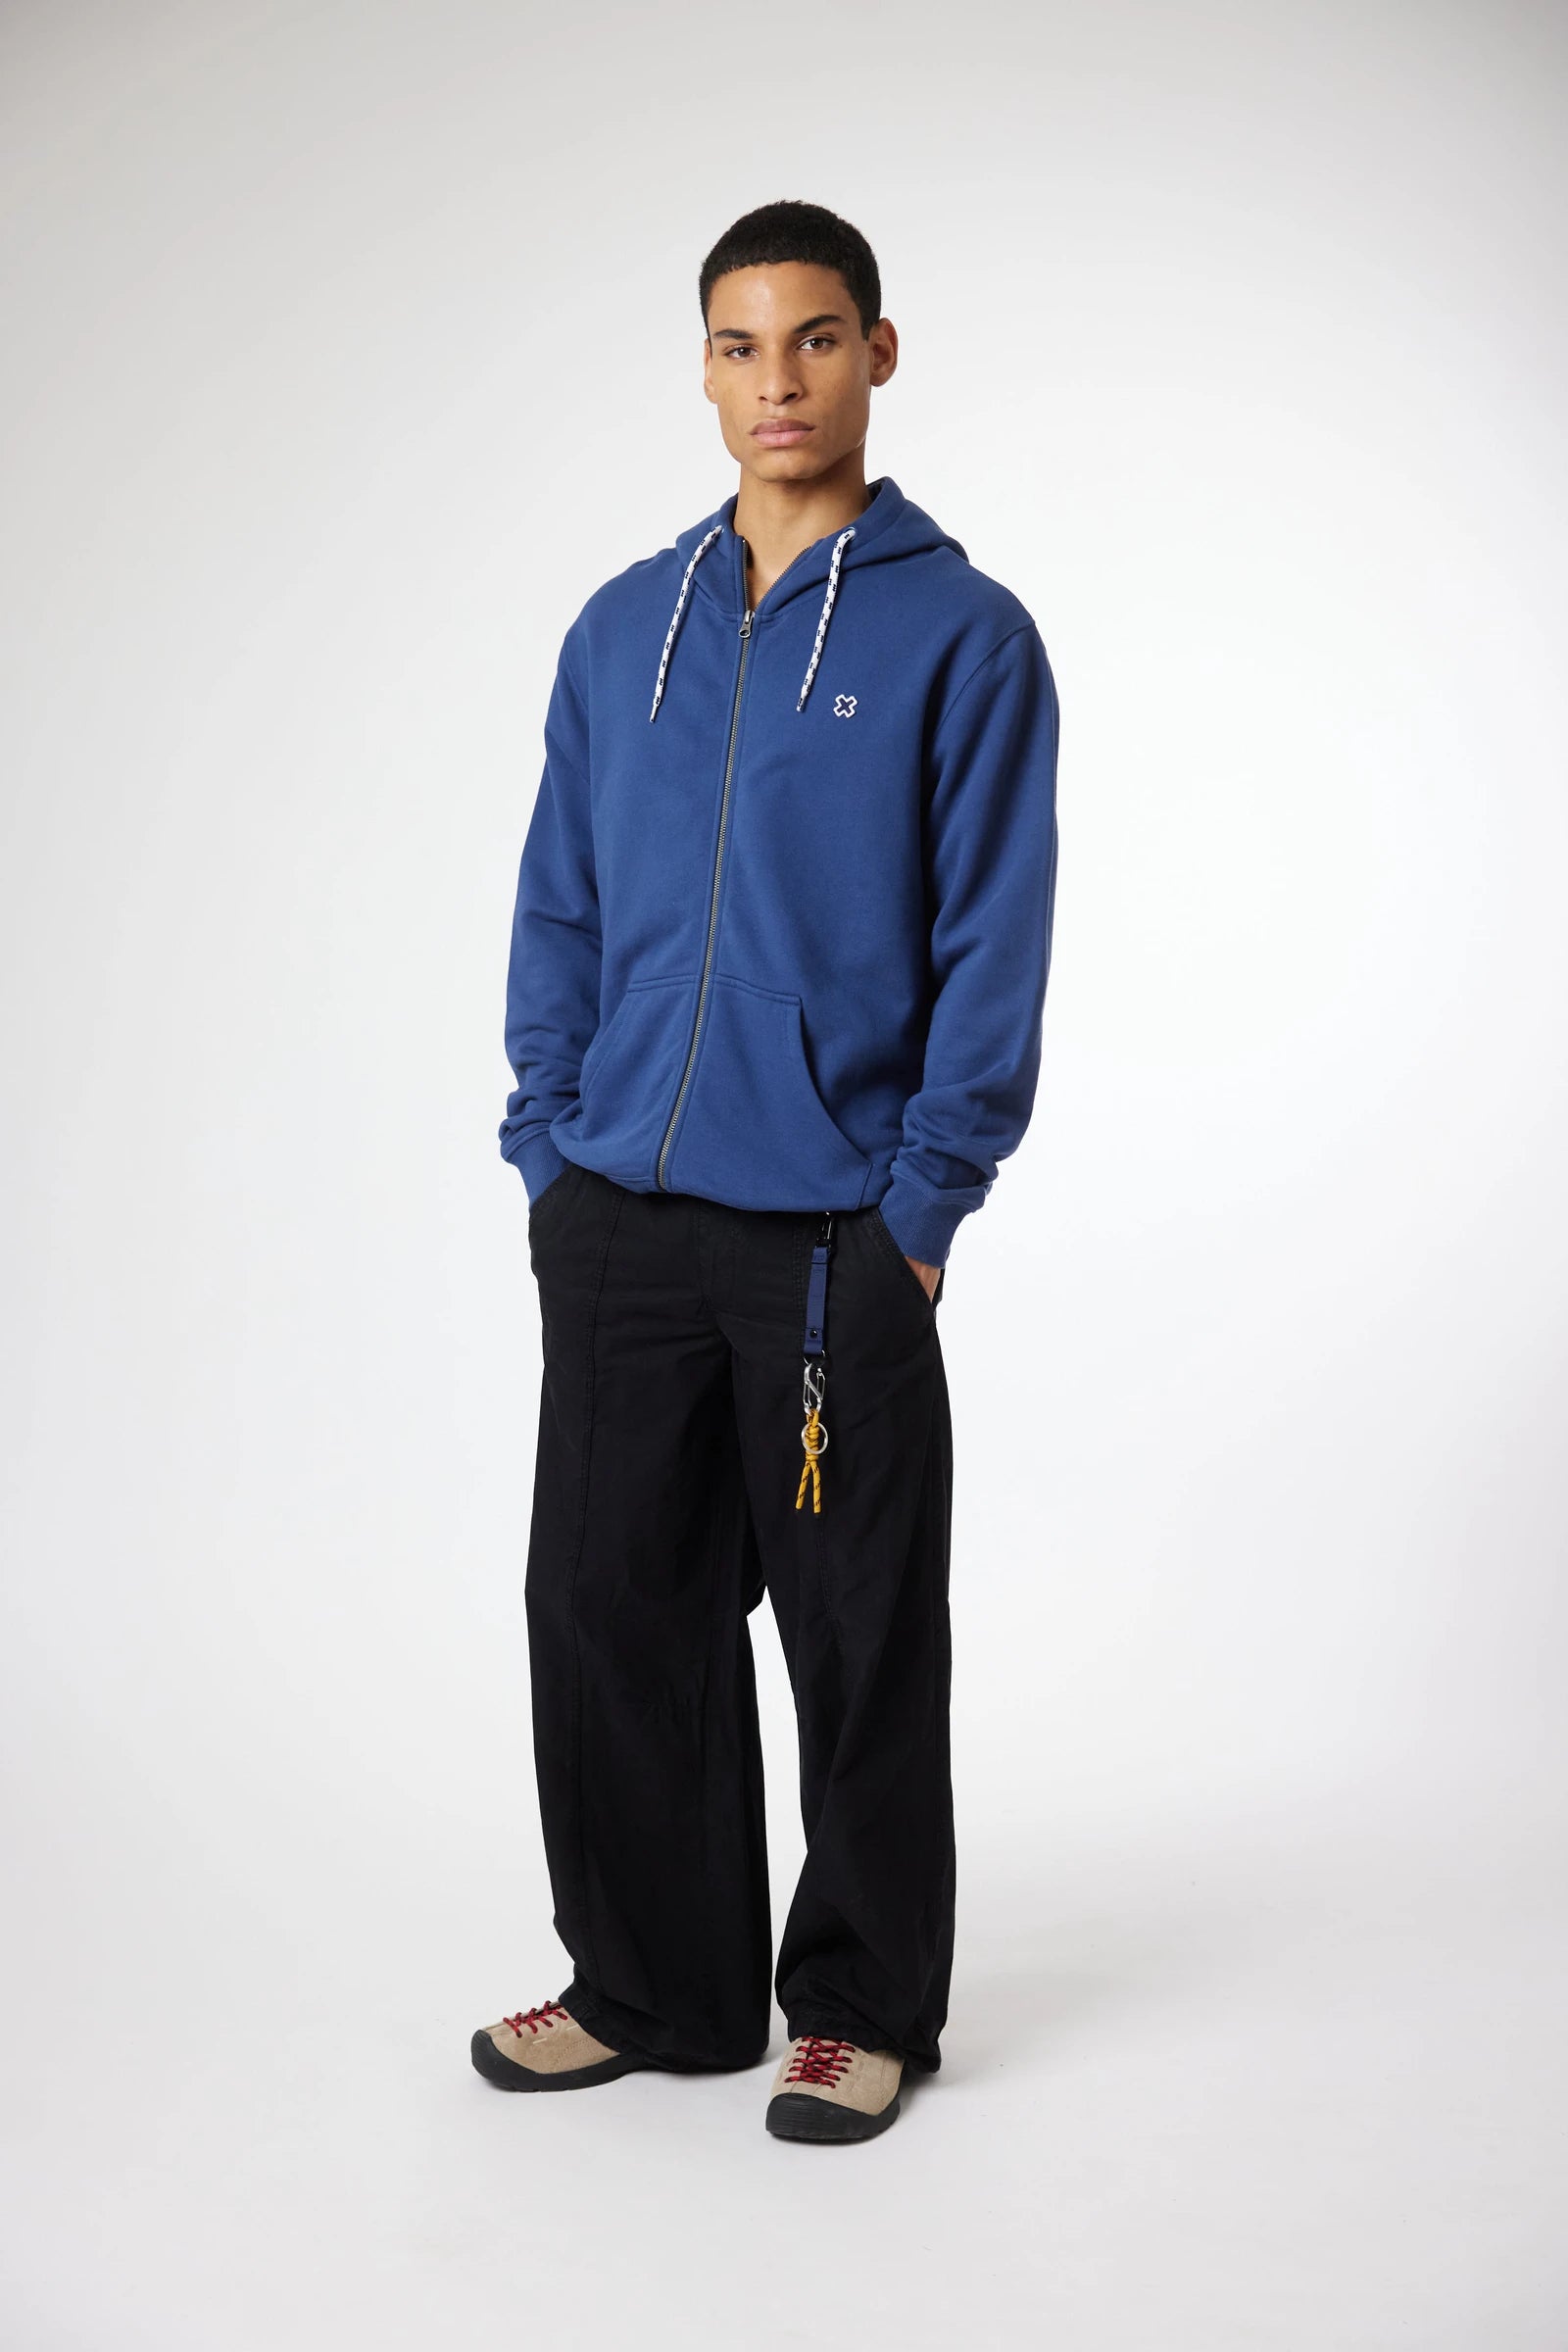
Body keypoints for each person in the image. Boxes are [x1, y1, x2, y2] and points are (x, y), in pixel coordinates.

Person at [471, 199, 1060, 2143]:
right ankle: (657, 1986)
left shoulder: (962, 636)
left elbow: (990, 939)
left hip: (827, 1234)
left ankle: (861, 2009)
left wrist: (920, 1211)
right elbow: (560, 905)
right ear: (704, 371)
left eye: (814, 339)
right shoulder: (618, 627)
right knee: (608, 1617)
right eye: (740, 345)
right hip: (619, 1219)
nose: (777, 381)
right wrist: (549, 1148)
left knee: (856, 1635)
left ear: (875, 354)